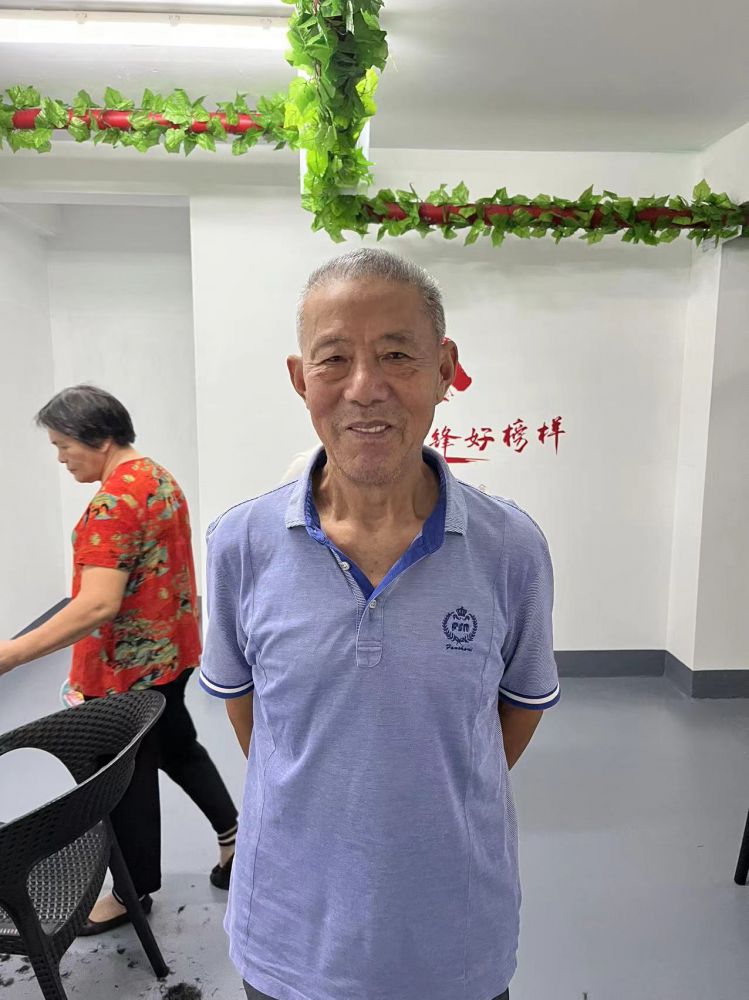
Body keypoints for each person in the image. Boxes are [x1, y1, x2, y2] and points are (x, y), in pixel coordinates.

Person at [199, 248, 560, 1000]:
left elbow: (515, 715)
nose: (365, 388)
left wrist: (426, 792)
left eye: (397, 354)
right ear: (300, 378)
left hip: (454, 941)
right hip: (287, 941)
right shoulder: (241, 544)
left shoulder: (510, 548)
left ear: (444, 369)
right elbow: (252, 716)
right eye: (333, 359)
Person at [0, 385, 239, 934]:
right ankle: (234, 842)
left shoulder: (113, 503)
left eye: (64, 446)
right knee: (178, 747)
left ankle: (133, 893)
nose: (61, 459)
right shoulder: (157, 478)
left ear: (99, 438)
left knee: (124, 781)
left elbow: (97, 605)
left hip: (125, 673)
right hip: (170, 656)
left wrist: (12, 654)